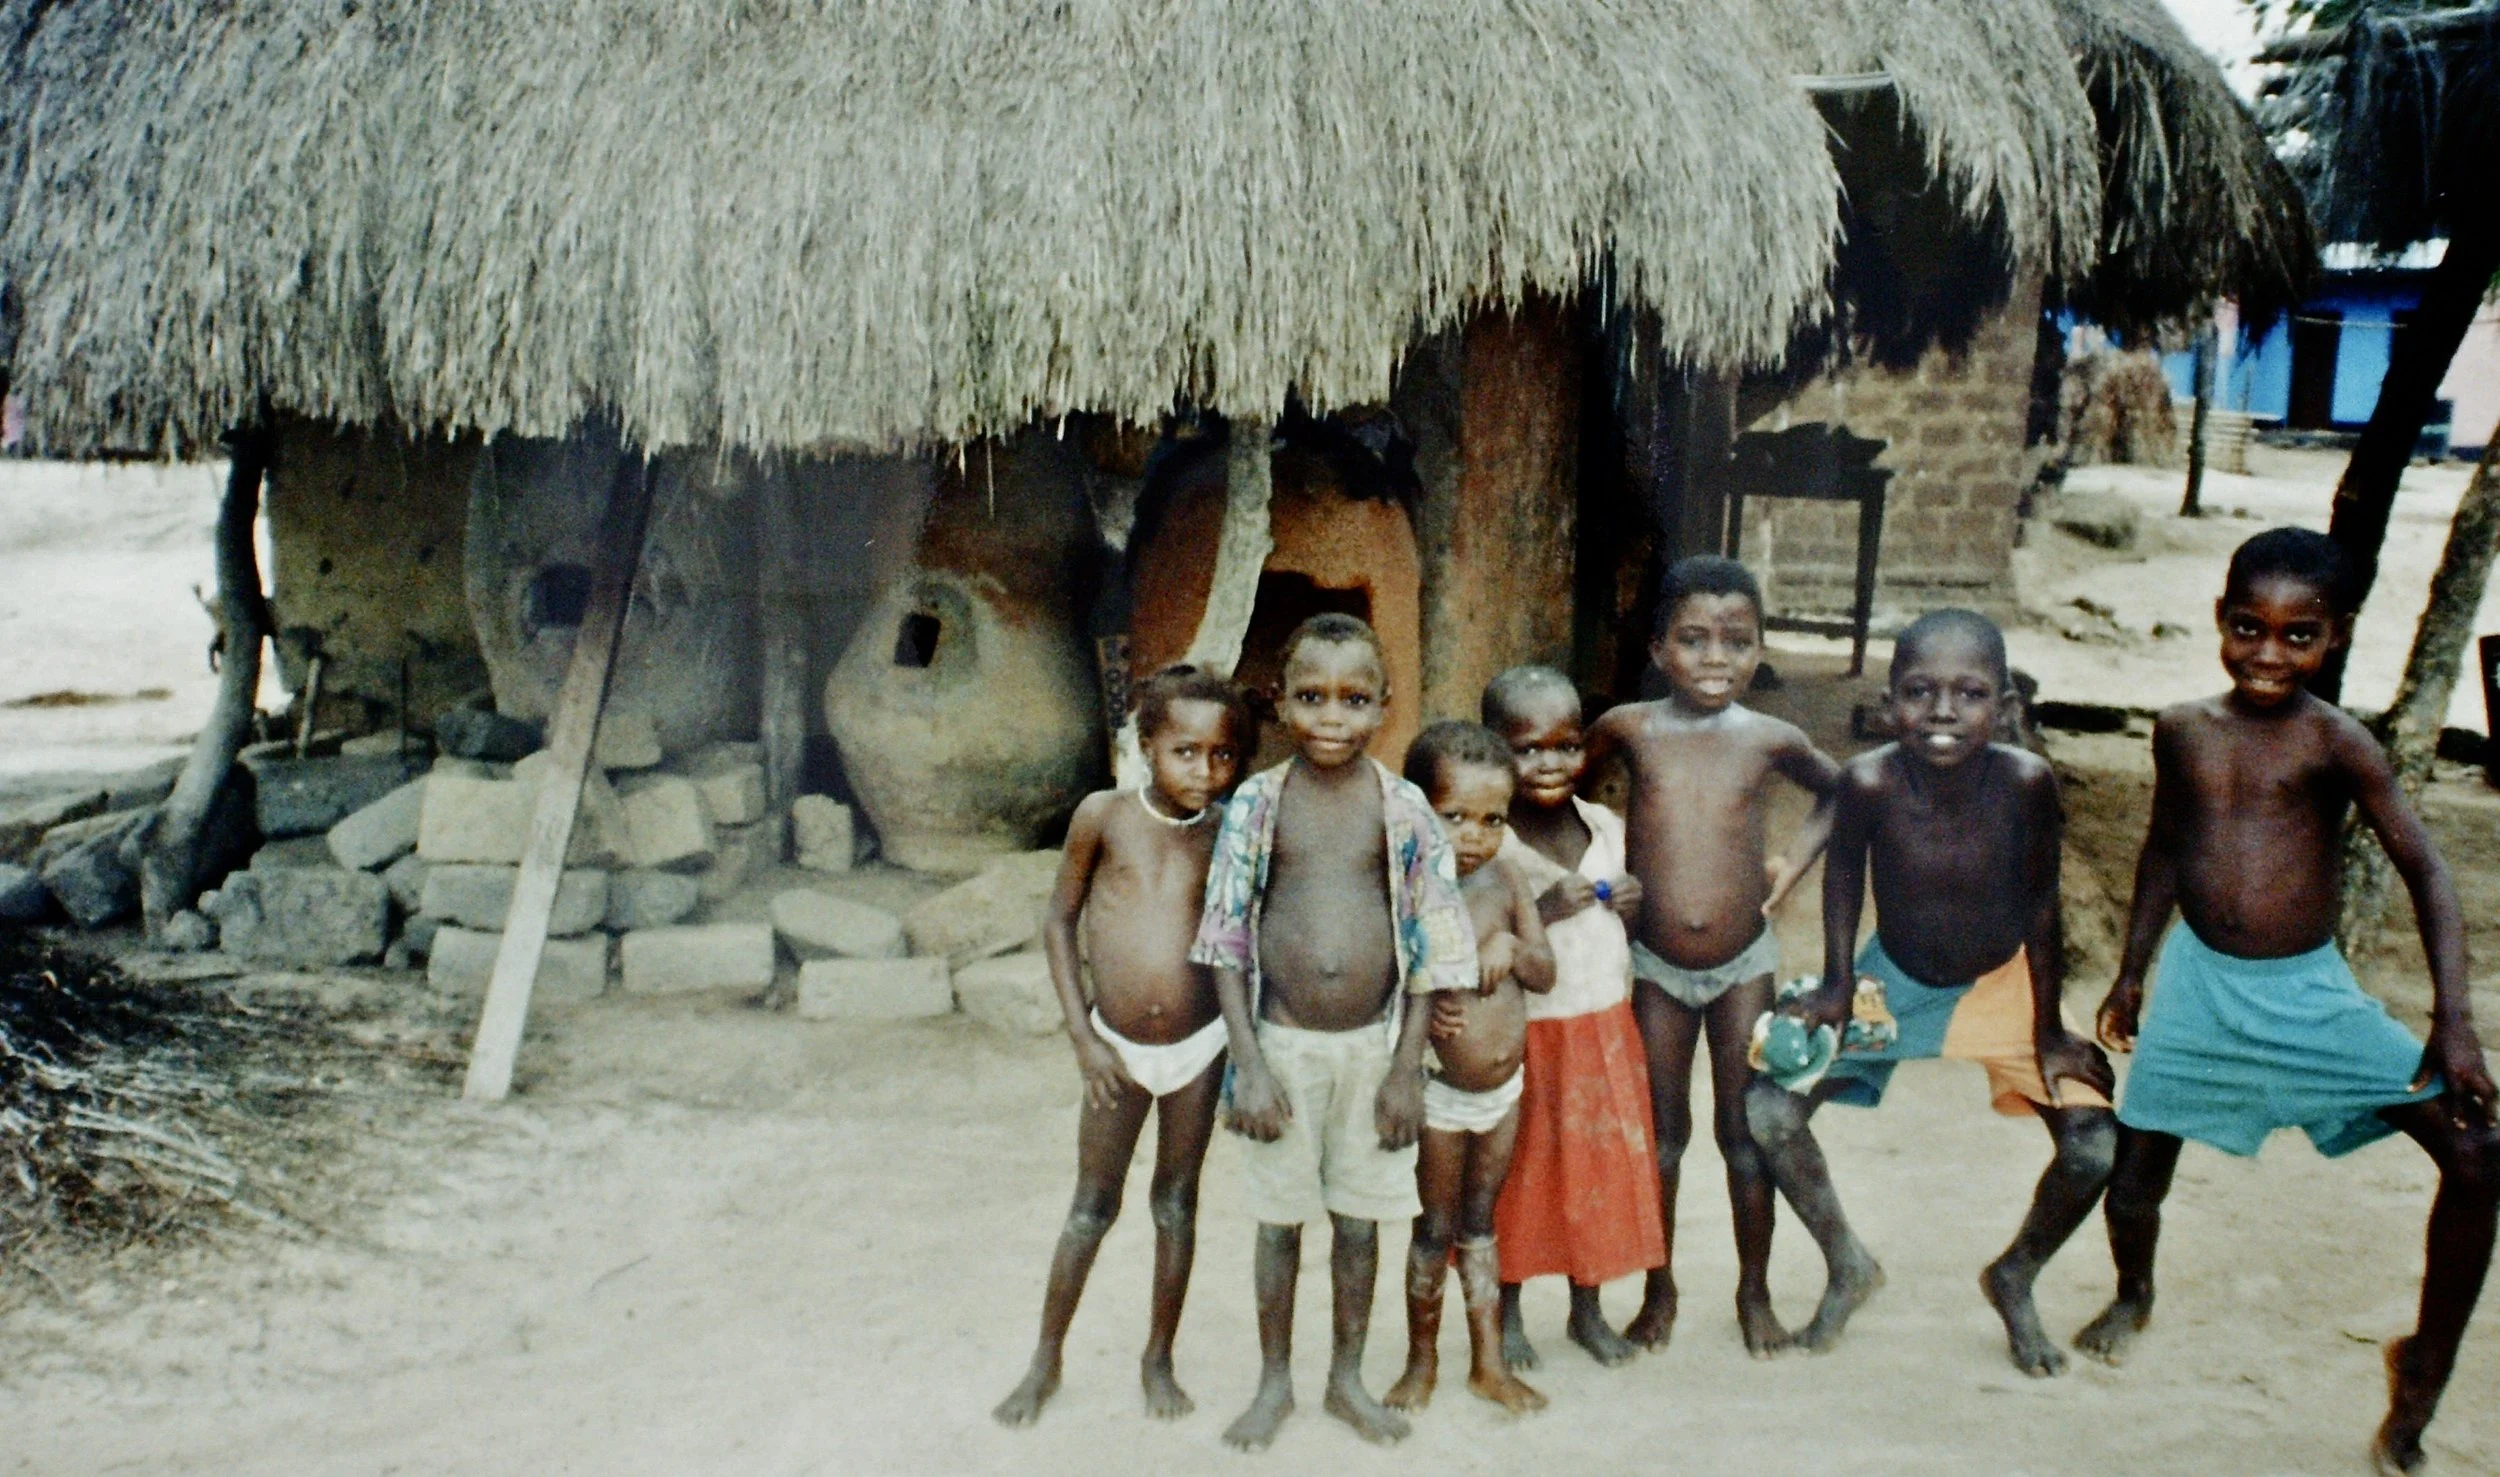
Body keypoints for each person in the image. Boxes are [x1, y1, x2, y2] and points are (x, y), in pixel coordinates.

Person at [2076, 528, 2498, 1475]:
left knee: (2476, 1151)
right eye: (2246, 628)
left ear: (2335, 637)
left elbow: (2427, 866)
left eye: (2296, 635)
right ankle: (2133, 1291)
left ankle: (2423, 1371)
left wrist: (2454, 1019)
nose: (2268, 654)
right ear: (2219, 620)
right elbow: (2163, 848)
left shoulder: (2336, 742)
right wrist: (2134, 967)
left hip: (2305, 995)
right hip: (2195, 983)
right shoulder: (2182, 727)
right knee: (2137, 1173)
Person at [1749, 608, 2118, 1376]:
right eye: (1919, 691)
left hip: (2008, 984)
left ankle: (2015, 1274)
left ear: (2005, 705)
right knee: (1770, 1109)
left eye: (1970, 693)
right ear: (1888, 701)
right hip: (1896, 978)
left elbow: (2043, 904)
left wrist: (2049, 1027)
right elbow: (1845, 874)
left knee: (2093, 1148)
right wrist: (1841, 985)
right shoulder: (1870, 779)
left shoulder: (2026, 783)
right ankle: (1848, 1262)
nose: (1943, 712)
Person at [1193, 612, 1478, 1451]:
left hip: (1373, 1050)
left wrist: (1405, 1068)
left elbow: (1431, 940)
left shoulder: (1404, 808)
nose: (1332, 717)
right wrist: (1247, 1064)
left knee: (1360, 1220)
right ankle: (1275, 1380)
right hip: (1280, 1048)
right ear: (1278, 704)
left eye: (1354, 699)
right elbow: (1225, 934)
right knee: (1278, 1221)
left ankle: (1346, 1377)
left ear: (1384, 707)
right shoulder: (1256, 802)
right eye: (1311, 697)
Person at [1580, 559, 1840, 1357]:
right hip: (1655, 966)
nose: (1716, 657)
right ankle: (1660, 1292)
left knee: (1743, 1135)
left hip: (1743, 965)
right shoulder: (1628, 727)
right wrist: (1594, 886)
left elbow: (1844, 792)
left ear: (1761, 649)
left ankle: (1752, 1292)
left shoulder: (1770, 738)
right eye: (1694, 639)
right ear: (1659, 648)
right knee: (1662, 1137)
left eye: (1737, 640)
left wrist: (1792, 862)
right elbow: (1561, 795)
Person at [994, 666, 1251, 1427]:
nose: (1204, 770)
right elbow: (1058, 921)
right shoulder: (1103, 815)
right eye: (1184, 750)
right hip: (1113, 1048)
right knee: (1091, 1205)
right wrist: (1083, 1037)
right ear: (1146, 747)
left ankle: (1157, 1357)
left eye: (1222, 755)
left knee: (1176, 1204)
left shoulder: (1229, 830)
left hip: (1199, 1048)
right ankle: (1045, 1357)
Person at [1479, 665, 1666, 1372]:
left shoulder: (1606, 829)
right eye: (1527, 748)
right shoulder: (1491, 845)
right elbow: (1475, 933)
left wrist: (1631, 903)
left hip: (1603, 1026)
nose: (1550, 762)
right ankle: (1510, 1309)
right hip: (1526, 1033)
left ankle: (1587, 1311)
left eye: (1565, 745)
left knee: (1598, 1173)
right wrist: (1546, 910)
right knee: (1521, 1174)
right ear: (1494, 749)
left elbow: (1632, 928)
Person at [1381, 721, 1556, 1416]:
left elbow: (1546, 971)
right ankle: (1420, 1360)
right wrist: (1421, 1005)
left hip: (1502, 1092)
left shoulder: (1508, 879)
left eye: (1492, 819)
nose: (1474, 835)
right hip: (1440, 1096)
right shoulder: (1404, 886)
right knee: (1434, 1226)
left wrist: (1513, 944)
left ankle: (1487, 1362)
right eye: (1454, 817)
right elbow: (1374, 979)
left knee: (1482, 1222)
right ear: (1419, 808)